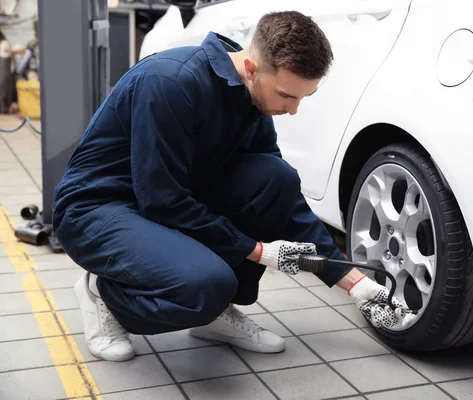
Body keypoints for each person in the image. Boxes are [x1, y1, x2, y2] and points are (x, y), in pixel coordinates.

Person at [52, 10, 407, 362]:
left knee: (276, 179)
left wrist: (353, 281)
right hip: (99, 208)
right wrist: (255, 250)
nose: (293, 110)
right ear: (251, 68)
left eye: (303, 98)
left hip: (166, 196)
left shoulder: (250, 97)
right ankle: (103, 295)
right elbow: (162, 200)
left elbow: (285, 199)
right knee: (205, 286)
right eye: (287, 95)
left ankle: (215, 314)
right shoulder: (171, 83)